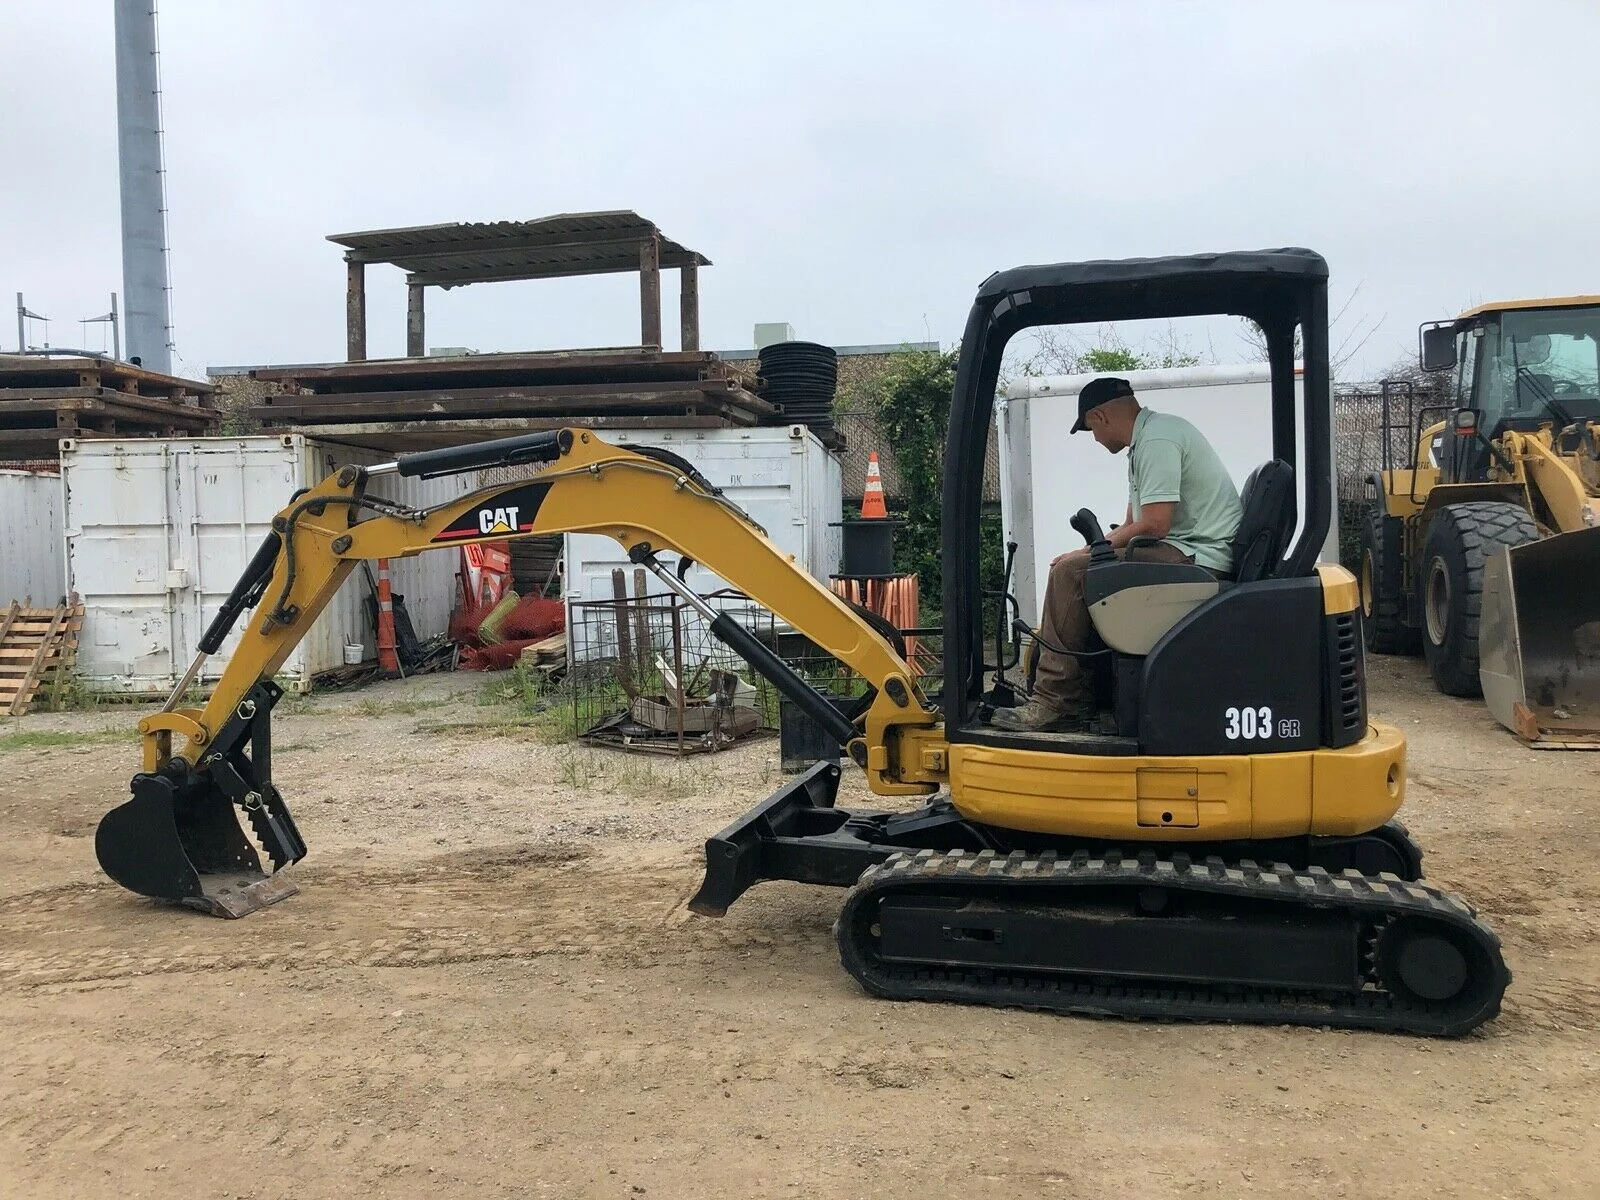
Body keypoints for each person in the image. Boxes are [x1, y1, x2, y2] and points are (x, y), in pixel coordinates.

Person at [991, 376, 1243, 733]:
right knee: (1075, 567)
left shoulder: (1157, 440)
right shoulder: (1145, 442)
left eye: (1090, 429)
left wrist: (1080, 559)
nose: (1094, 438)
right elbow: (1131, 524)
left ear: (1101, 416)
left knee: (1070, 574)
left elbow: (1154, 525)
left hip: (1199, 559)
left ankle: (1054, 702)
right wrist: (1084, 551)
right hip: (1187, 551)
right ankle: (1082, 694)